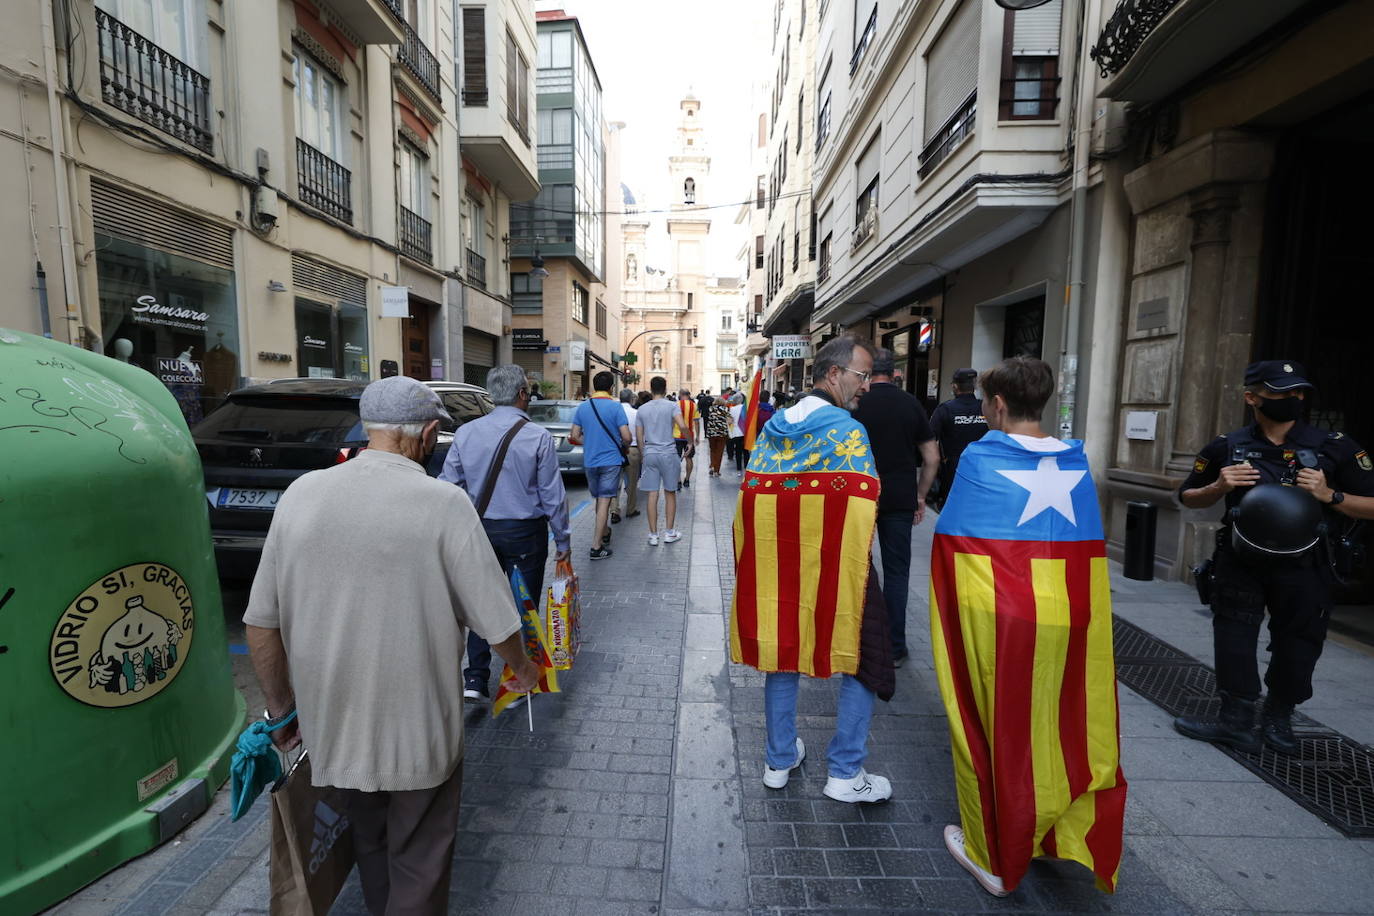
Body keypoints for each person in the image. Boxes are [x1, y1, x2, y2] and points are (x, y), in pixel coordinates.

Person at [244, 376, 539, 913]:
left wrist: (281, 711)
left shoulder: (302, 494)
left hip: (334, 725)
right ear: (427, 434)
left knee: (369, 842)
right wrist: (522, 669)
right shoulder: (443, 504)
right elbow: (498, 622)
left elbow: (261, 623)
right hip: (418, 732)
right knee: (420, 857)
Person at [929, 357, 1126, 898]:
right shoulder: (1076, 460)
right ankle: (1052, 829)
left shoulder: (980, 456)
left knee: (990, 723)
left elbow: (954, 542)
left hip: (1000, 618)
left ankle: (993, 853)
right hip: (1068, 616)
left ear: (995, 404)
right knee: (1057, 722)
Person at [1174, 360, 1374, 755]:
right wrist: (1218, 485)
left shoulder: (1335, 446)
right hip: (1241, 562)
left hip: (1308, 565)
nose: (1293, 399)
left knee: (1299, 642)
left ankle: (1279, 717)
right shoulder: (1226, 446)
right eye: (1281, 392)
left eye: (1298, 392)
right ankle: (1235, 721)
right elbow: (1186, 496)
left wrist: (1329, 495)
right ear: (1252, 397)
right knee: (1233, 635)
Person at [731, 335, 895, 804]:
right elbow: (864, 504)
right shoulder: (847, 430)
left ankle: (779, 759)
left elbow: (754, 494)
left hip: (779, 562)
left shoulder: (776, 424)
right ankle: (845, 771)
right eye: (862, 375)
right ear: (834, 373)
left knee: (782, 649)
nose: (866, 385)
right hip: (838, 564)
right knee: (865, 654)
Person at [440, 365, 572, 702]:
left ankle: (475, 678)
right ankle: (518, 680)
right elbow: (552, 495)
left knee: (480, 600)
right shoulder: (537, 436)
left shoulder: (466, 433)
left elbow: (448, 485)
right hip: (524, 531)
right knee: (523, 604)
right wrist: (563, 540)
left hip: (477, 528)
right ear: (522, 395)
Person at [853, 348, 939, 667]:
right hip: (900, 497)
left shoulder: (855, 402)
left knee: (857, 566)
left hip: (860, 495)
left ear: (867, 371)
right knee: (897, 572)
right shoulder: (910, 403)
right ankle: (895, 646)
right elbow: (931, 458)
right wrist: (920, 495)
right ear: (894, 373)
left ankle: (858, 640)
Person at [570, 371, 631, 560]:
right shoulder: (616, 408)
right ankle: (596, 546)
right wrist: (624, 445)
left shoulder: (583, 407)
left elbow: (574, 436)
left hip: (590, 461)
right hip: (611, 461)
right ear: (611, 387)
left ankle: (604, 532)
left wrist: (589, 442)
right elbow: (627, 437)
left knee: (599, 500)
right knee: (604, 500)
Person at [637, 376, 692, 545]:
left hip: (650, 453)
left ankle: (653, 535)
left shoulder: (642, 409)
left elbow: (639, 436)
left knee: (652, 494)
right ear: (665, 389)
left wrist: (643, 453)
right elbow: (682, 426)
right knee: (670, 493)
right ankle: (669, 532)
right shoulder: (672, 406)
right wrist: (689, 441)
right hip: (668, 452)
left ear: (651, 388)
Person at [929, 368, 988, 511]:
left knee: (952, 508)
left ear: (955, 386)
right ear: (974, 385)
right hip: (982, 468)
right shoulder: (986, 408)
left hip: (953, 469)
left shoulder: (945, 409)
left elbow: (929, 439)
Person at [612, 388, 641, 523]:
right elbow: (641, 435)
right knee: (632, 482)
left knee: (615, 483)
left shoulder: (614, 413)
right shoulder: (636, 413)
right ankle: (630, 509)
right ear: (631, 399)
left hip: (615, 450)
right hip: (633, 450)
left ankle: (614, 511)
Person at [675, 388, 699, 488]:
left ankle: (678, 480)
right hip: (689, 436)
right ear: (689, 395)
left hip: (676, 436)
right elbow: (696, 422)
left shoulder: (675, 405)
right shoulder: (694, 405)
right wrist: (698, 436)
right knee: (689, 458)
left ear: (680, 394)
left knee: (676, 459)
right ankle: (687, 479)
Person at [705, 395, 730, 477]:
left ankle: (712, 466)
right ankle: (716, 471)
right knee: (719, 452)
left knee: (712, 450)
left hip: (711, 433)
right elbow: (730, 420)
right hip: (721, 433)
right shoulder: (725, 409)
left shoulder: (710, 409)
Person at [728, 393, 747, 473]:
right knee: (746, 451)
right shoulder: (745, 408)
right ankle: (746, 467)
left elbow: (729, 422)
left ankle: (739, 469)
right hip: (745, 432)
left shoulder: (732, 409)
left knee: (738, 451)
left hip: (736, 432)